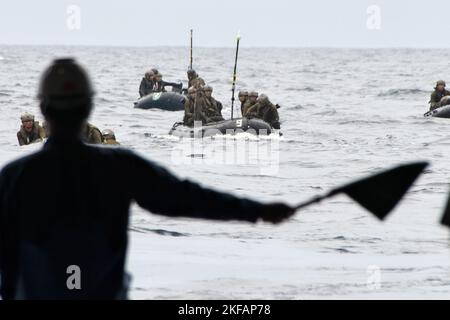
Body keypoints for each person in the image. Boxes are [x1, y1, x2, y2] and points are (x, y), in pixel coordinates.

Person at [0, 58, 294, 300]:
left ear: (43, 111)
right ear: (88, 108)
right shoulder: (120, 167)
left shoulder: (14, 177)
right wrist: (257, 211)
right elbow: (189, 198)